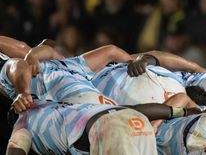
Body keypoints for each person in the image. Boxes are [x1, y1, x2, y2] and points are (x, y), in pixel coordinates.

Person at [6, 98, 197, 155]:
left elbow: (16, 149)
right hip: (136, 122)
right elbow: (135, 109)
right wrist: (182, 112)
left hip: (108, 129)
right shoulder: (69, 106)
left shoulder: (23, 120)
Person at [1, 44, 132, 113]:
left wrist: (23, 93)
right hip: (65, 75)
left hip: (65, 71)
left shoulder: (8, 68)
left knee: (111, 51)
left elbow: (18, 64)